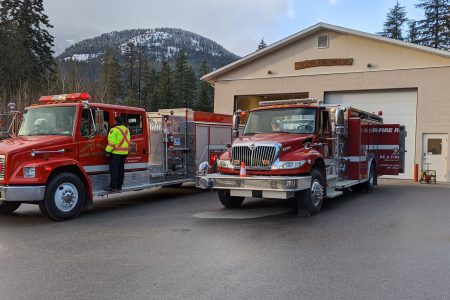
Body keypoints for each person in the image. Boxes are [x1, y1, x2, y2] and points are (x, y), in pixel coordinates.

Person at [103, 116, 131, 192]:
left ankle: (113, 187)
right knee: (121, 170)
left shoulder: (114, 130)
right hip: (124, 153)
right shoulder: (126, 130)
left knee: (114, 170)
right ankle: (119, 187)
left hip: (116, 153)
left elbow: (112, 143)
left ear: (115, 122)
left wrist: (107, 151)